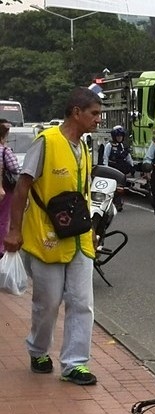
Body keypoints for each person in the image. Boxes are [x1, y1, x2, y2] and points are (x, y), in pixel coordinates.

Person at [3, 87, 102, 385]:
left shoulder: (84, 146)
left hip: (78, 238)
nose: (99, 119)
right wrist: (14, 229)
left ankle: (74, 364)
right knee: (48, 303)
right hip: (47, 237)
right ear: (76, 112)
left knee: (82, 302)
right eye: (94, 114)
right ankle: (38, 350)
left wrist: (92, 231)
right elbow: (22, 188)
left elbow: (83, 194)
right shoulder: (46, 142)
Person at [1, 118, 21, 257]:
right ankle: (1, 247)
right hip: (4, 190)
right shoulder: (4, 150)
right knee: (3, 219)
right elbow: (15, 168)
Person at [101, 125, 134, 211]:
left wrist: (132, 167)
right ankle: (108, 203)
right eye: (118, 136)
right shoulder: (109, 145)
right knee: (111, 187)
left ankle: (118, 203)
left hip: (121, 170)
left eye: (121, 136)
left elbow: (128, 157)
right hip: (112, 169)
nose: (119, 138)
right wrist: (106, 168)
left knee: (120, 187)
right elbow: (105, 157)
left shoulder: (123, 147)